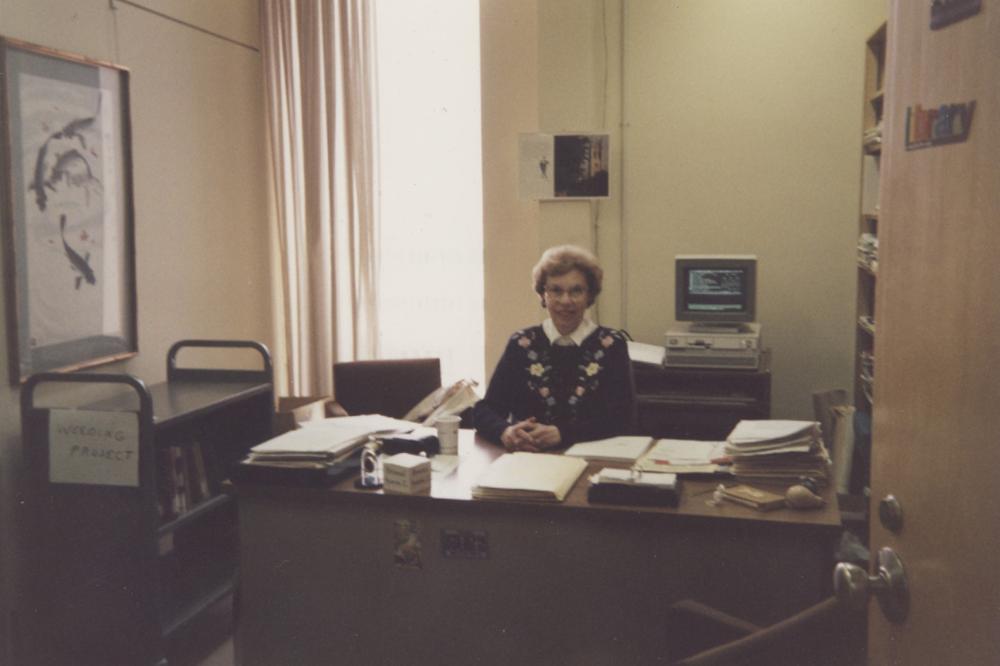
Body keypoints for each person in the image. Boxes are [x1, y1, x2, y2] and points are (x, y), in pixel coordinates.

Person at [473, 245, 633, 451]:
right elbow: (485, 410)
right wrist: (505, 431)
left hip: (590, 461)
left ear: (590, 296)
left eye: (576, 290)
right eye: (556, 290)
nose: (565, 301)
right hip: (529, 461)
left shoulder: (611, 345)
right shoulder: (522, 344)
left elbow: (623, 420)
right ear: (543, 294)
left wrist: (562, 434)